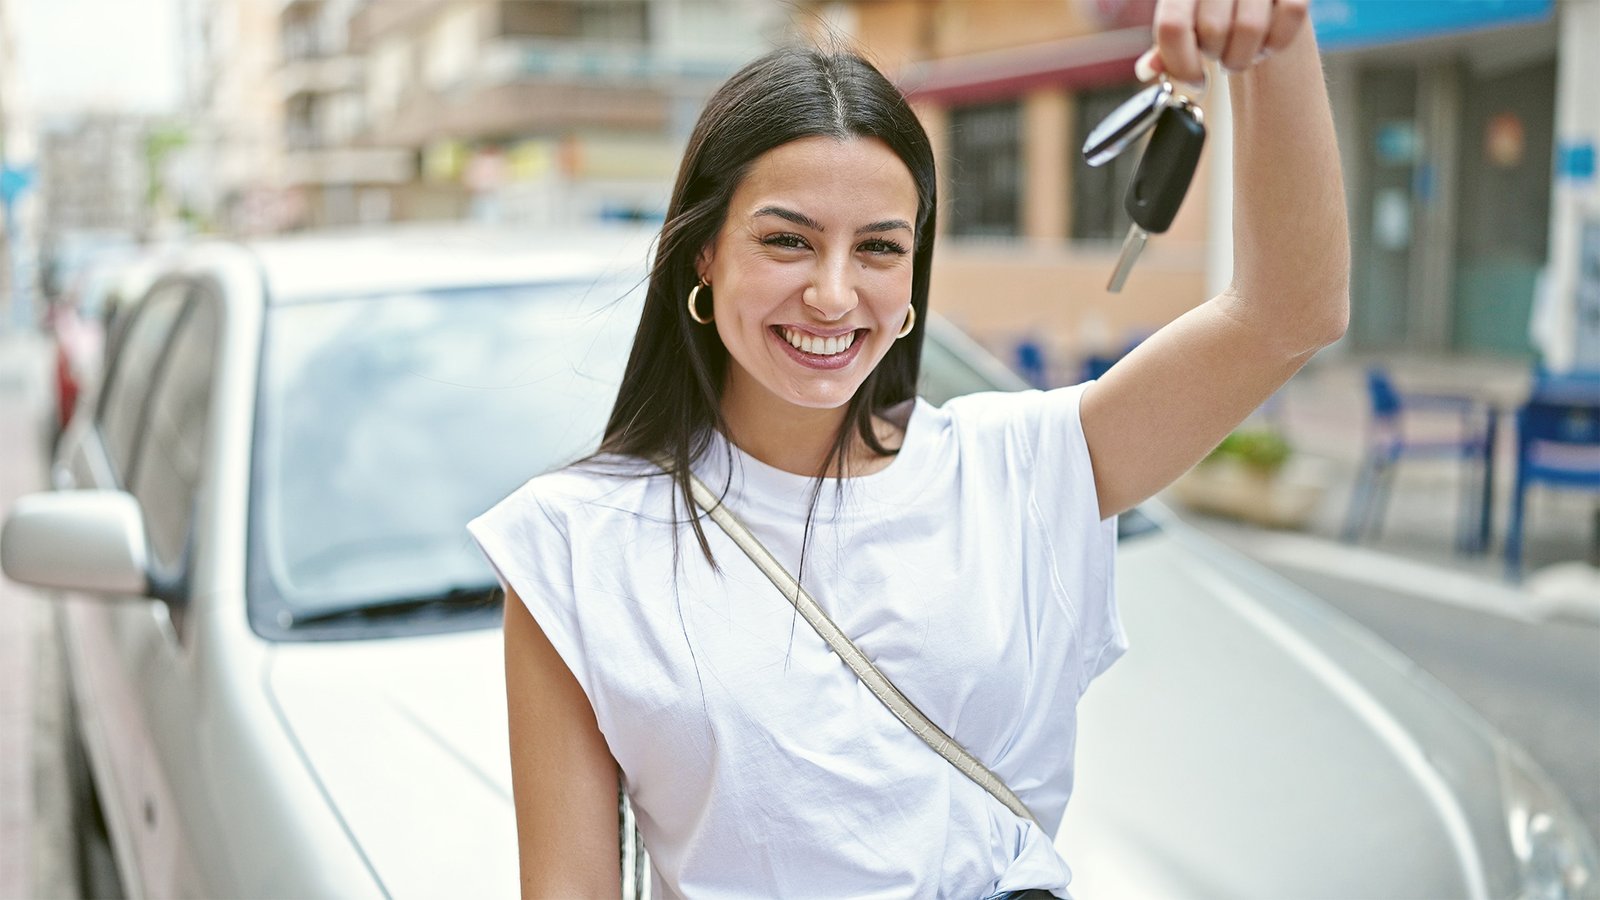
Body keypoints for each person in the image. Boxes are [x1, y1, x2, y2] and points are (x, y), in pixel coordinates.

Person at [467, 0, 1347, 895]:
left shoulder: (1016, 471)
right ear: (704, 253)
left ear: (914, 273)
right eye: (786, 240)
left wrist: (1277, 38)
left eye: (880, 248)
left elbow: (1288, 314)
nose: (834, 293)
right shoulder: (575, 545)